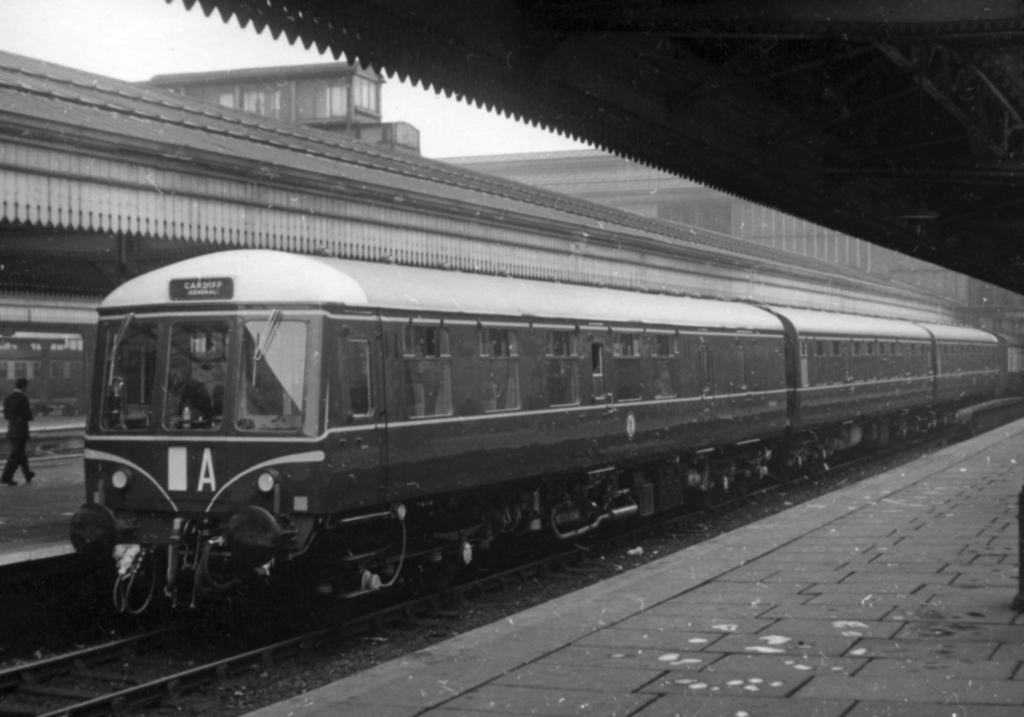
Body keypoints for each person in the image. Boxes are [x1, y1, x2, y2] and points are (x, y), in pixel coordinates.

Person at [2, 378, 35, 486]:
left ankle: (28, 474)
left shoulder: (8, 399)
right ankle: (6, 476)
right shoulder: (23, 399)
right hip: (21, 431)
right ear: (24, 387)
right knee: (16, 454)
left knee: (20, 453)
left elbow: (6, 416)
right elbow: (28, 416)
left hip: (12, 430)